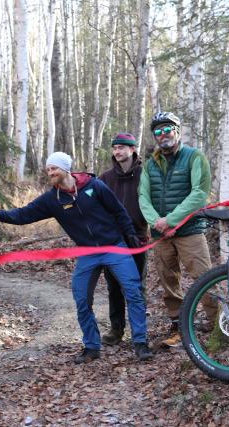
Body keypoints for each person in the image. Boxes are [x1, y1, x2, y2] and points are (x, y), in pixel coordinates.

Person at [0, 152, 152, 363]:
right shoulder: (52, 199)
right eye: (48, 170)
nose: (50, 172)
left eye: (53, 168)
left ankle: (141, 343)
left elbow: (119, 211)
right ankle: (92, 347)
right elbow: (23, 214)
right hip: (86, 253)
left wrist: (130, 235)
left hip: (114, 247)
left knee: (133, 291)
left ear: (66, 169)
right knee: (81, 298)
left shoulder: (95, 186)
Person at [138, 112, 213, 347]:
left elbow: (199, 193)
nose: (163, 135)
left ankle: (218, 324)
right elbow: (143, 197)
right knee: (168, 281)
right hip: (162, 236)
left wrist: (170, 220)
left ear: (177, 131)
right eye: (158, 132)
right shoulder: (150, 164)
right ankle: (179, 326)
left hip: (189, 231)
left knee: (204, 277)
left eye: (167, 129)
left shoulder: (194, 157)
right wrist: (157, 222)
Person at [89, 133, 149, 346]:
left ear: (132, 150)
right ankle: (116, 330)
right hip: (113, 240)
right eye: (115, 148)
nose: (118, 152)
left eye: (122, 147)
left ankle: (139, 333)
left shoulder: (145, 174)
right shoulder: (105, 178)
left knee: (135, 287)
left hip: (138, 238)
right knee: (113, 286)